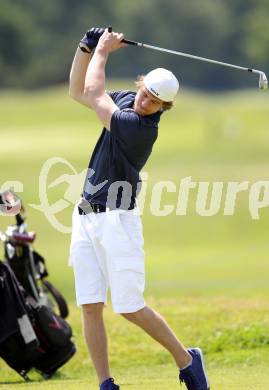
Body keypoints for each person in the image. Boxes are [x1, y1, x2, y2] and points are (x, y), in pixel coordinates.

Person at [69, 27, 210, 390]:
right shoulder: (126, 100)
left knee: (129, 307)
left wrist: (102, 49)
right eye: (145, 93)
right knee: (89, 305)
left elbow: (94, 91)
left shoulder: (139, 128)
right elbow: (78, 91)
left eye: (153, 101)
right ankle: (106, 383)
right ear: (141, 83)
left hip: (118, 221)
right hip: (85, 217)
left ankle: (187, 359)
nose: (144, 102)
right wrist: (84, 49)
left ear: (164, 107)